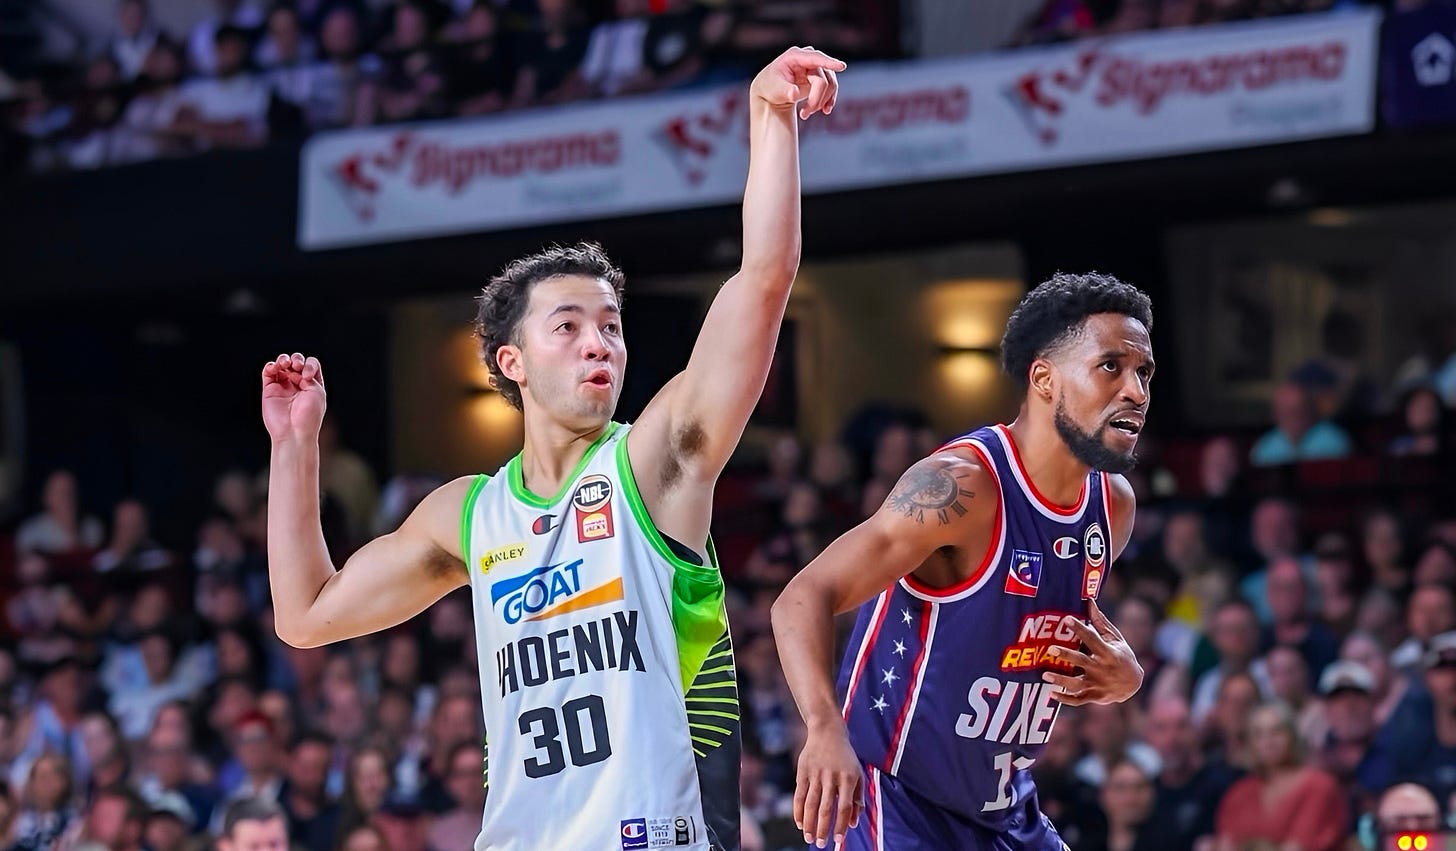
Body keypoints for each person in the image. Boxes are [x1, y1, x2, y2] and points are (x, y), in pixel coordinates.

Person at [259, 46, 846, 851]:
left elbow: (763, 279)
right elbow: (305, 616)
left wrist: (769, 116)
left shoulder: (653, 462)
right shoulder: (468, 513)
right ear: (513, 361)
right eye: (566, 327)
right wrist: (295, 448)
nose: (598, 343)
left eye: (610, 325)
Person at [772, 273, 1151, 849]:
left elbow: (1025, 632)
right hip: (894, 802)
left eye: (1144, 373)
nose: (1136, 392)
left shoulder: (1111, 508)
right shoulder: (962, 488)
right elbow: (802, 596)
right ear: (1044, 379)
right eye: (1111, 367)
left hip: (1004, 812)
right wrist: (824, 729)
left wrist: (1123, 675)